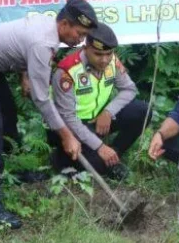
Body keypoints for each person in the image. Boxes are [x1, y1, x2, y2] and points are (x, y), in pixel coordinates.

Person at [0, 0, 99, 228]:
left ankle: (15, 170)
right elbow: (41, 98)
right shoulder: (43, 42)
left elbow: (21, 47)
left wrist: (25, 74)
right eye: (79, 33)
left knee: (8, 115)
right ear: (64, 24)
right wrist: (67, 136)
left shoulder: (48, 28)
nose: (80, 40)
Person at [49, 23, 147, 180]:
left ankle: (112, 156)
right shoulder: (67, 72)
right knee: (99, 167)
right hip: (70, 128)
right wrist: (99, 146)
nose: (104, 60)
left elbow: (129, 89)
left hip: (97, 120)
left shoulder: (112, 62)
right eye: (98, 54)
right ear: (85, 48)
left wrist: (108, 112)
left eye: (109, 53)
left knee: (142, 111)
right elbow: (67, 118)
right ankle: (61, 158)